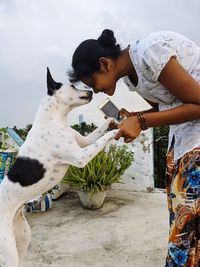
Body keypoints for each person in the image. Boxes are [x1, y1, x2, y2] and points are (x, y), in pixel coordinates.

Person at [68, 29, 200, 266]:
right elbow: (165, 108)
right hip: (183, 140)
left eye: (92, 83)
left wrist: (141, 121)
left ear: (104, 63)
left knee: (184, 230)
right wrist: (135, 117)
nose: (95, 91)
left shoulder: (149, 52)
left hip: (195, 143)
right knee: (185, 224)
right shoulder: (130, 77)